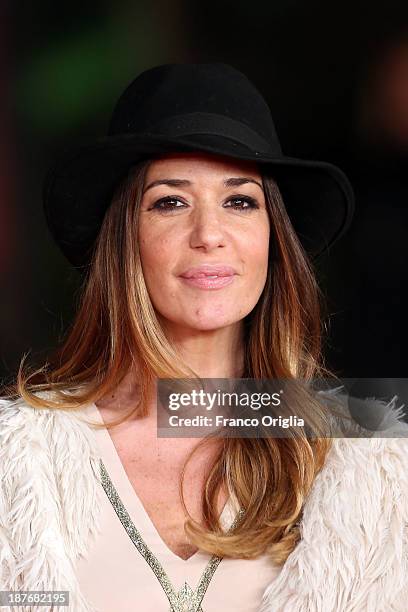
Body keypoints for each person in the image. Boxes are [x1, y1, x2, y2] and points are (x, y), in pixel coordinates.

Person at [1, 63, 407, 612]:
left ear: (272, 238)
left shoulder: (364, 466)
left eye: (240, 201)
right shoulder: (19, 461)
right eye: (171, 201)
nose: (209, 235)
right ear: (126, 238)